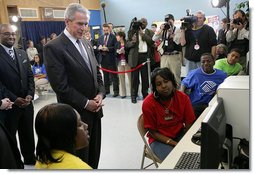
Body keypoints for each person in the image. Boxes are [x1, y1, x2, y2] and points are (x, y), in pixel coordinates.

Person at [43, 3, 105, 169]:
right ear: (67, 22)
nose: (84, 28)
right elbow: (61, 86)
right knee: (79, 161)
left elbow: (97, 74)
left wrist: (100, 94)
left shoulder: (86, 43)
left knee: (94, 156)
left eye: (86, 24)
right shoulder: (54, 47)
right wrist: (87, 103)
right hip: (75, 116)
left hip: (96, 112)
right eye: (80, 23)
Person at [0, 24, 36, 165]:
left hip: (26, 103)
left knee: (27, 133)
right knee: (11, 136)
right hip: (9, 105)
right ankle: (15, 162)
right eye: (6, 34)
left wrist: (29, 95)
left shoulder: (21, 53)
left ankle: (29, 158)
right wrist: (15, 99)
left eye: (13, 34)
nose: (11, 37)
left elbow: (29, 76)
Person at [142, 67, 196, 161]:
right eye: (159, 84)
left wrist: (187, 141)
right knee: (175, 161)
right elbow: (152, 132)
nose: (163, 86)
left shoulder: (183, 98)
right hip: (158, 139)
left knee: (196, 153)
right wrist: (173, 143)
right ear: (155, 88)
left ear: (172, 81)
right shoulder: (148, 103)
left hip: (179, 133)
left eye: (166, 81)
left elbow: (189, 124)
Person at [35, 103, 92, 169]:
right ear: (66, 134)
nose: (86, 125)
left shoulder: (42, 161)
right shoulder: (81, 168)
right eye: (79, 124)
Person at [180, 53, 227, 118]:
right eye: (203, 62)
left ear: (214, 62)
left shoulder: (222, 75)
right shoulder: (195, 73)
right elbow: (184, 83)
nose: (206, 63)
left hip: (213, 103)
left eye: (208, 61)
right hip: (196, 104)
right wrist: (182, 97)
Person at [126, 17, 154, 103]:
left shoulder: (150, 32)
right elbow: (127, 45)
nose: (143, 24)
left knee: (145, 78)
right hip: (135, 58)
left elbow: (152, 42)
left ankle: (145, 94)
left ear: (147, 23)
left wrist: (143, 35)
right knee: (134, 79)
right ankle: (133, 96)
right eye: (141, 22)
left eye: (144, 22)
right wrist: (133, 42)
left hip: (145, 57)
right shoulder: (131, 32)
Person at [153, 14, 182, 86]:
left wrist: (172, 33)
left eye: (170, 21)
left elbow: (178, 42)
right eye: (166, 21)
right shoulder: (163, 30)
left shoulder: (178, 29)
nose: (168, 22)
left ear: (174, 21)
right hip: (164, 56)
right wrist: (161, 29)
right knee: (164, 76)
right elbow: (154, 39)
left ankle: (176, 94)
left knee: (175, 76)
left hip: (174, 56)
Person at [97, 23, 119, 97]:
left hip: (111, 59)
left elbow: (116, 47)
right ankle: (107, 90)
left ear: (109, 29)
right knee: (105, 77)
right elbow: (98, 46)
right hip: (103, 60)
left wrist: (108, 49)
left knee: (114, 77)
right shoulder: (100, 38)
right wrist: (99, 48)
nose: (105, 31)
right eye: (104, 30)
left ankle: (116, 91)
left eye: (106, 30)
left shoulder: (113, 37)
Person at [115, 31, 131, 98]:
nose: (116, 37)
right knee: (121, 78)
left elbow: (130, 52)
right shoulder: (117, 44)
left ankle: (132, 93)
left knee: (130, 78)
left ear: (121, 36)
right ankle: (123, 93)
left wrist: (125, 52)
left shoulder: (127, 43)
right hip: (120, 62)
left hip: (127, 62)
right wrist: (118, 52)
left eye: (117, 36)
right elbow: (115, 54)